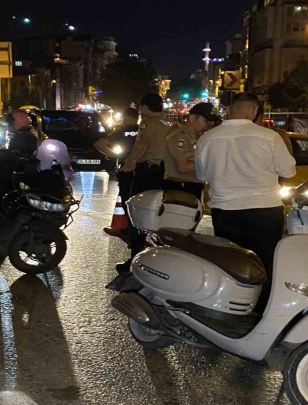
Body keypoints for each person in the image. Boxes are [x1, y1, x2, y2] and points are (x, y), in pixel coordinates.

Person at [196, 92, 296, 314]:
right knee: (264, 263)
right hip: (264, 210)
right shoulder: (269, 137)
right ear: (255, 110)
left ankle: (230, 309)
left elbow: (202, 175)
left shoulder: (208, 138)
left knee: (230, 263)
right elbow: (288, 170)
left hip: (225, 210)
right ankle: (261, 311)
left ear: (229, 109)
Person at [117, 93, 174, 273]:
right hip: (165, 174)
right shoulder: (170, 123)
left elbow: (141, 145)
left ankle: (135, 256)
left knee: (137, 212)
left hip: (147, 173)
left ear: (145, 107)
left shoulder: (147, 123)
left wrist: (129, 162)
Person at [94, 107, 139, 236]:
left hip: (127, 168)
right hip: (145, 169)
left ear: (125, 117)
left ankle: (129, 228)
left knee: (126, 198)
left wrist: (116, 156)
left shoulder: (121, 131)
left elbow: (99, 144)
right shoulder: (144, 130)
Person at [163, 102, 215, 199]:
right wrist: (211, 164)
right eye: (205, 121)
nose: (208, 126)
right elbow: (183, 167)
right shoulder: (180, 137)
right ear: (192, 118)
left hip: (191, 185)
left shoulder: (195, 137)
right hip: (181, 186)